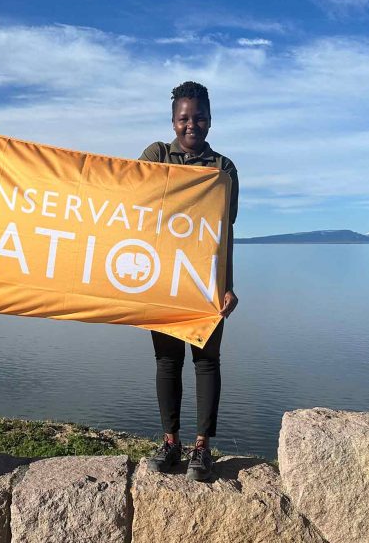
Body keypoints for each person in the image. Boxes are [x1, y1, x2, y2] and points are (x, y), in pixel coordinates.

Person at [139, 81, 239, 481]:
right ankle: (170, 441)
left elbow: (224, 233)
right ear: (173, 121)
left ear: (210, 120)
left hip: (204, 280)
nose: (191, 124)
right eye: (184, 118)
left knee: (206, 360)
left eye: (199, 117)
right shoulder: (157, 155)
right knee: (167, 361)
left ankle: (202, 447)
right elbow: (128, 200)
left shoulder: (223, 168)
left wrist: (228, 285)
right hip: (163, 278)